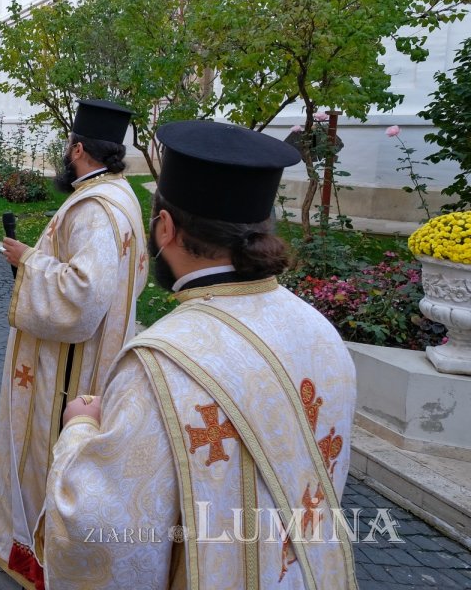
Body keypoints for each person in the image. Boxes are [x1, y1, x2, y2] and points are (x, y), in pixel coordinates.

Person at [38, 120, 357, 589]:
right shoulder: (320, 331)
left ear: (164, 227)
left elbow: (100, 528)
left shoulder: (160, 364)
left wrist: (79, 428)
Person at [0, 100, 147, 590]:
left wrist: (28, 262)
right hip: (96, 353)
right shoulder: (120, 195)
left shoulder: (97, 209)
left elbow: (82, 296)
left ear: (78, 149)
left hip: (68, 372)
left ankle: (43, 555)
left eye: (67, 146)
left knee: (50, 455)